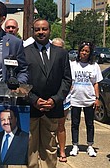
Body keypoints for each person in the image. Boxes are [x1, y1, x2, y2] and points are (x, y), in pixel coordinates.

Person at [24, 19, 71, 168]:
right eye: (37, 29)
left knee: (50, 147)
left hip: (52, 108)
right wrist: (34, 99)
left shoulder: (61, 53)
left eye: (44, 29)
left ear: (49, 31)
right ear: (33, 31)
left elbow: (66, 80)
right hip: (31, 107)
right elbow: (20, 81)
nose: (41, 32)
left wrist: (55, 99)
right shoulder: (24, 52)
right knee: (30, 147)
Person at [68, 41, 102, 158]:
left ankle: (90, 145)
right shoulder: (73, 65)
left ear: (90, 52)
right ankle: (75, 145)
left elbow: (96, 83)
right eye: (82, 50)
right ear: (79, 52)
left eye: (87, 51)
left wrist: (97, 98)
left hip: (89, 99)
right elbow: (69, 82)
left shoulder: (94, 66)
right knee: (75, 123)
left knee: (90, 123)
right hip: (75, 99)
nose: (84, 53)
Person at [51, 38, 71, 162]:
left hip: (62, 98)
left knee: (60, 125)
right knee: (49, 127)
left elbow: (69, 81)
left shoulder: (67, 61)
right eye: (54, 47)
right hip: (49, 99)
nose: (57, 49)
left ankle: (62, 151)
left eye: (60, 47)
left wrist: (60, 96)